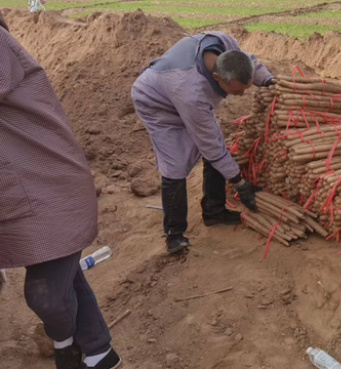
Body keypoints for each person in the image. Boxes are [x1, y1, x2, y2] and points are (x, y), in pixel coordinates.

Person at [0, 12, 121, 369]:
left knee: (47, 294)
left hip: (46, 188)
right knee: (65, 275)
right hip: (23, 189)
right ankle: (99, 353)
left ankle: (68, 345)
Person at [131, 31, 273, 254]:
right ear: (218, 78)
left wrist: (268, 80)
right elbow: (211, 146)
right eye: (237, 91)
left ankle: (214, 212)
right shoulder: (193, 93)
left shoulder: (225, 43)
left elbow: (249, 61)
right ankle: (174, 235)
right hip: (155, 102)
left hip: (175, 88)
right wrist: (240, 184)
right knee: (176, 165)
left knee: (215, 147)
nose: (242, 94)